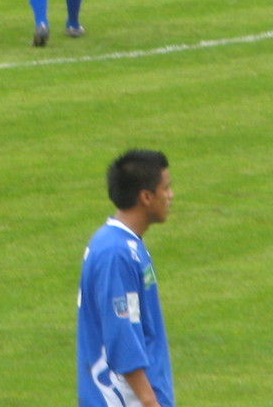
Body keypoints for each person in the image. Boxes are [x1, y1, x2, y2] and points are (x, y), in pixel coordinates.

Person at [77, 149, 175, 407]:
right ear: (145, 196)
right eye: (166, 188)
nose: (170, 195)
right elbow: (122, 334)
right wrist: (149, 401)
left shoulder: (123, 244)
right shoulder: (116, 253)